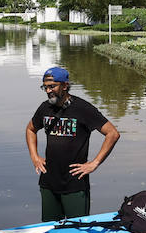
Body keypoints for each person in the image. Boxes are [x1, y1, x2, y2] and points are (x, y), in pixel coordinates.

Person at [25, 66, 120, 222]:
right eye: (45, 87)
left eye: (52, 86)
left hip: (75, 182)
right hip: (48, 182)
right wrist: (34, 157)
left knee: (78, 229)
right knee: (50, 230)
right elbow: (30, 129)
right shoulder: (45, 108)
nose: (49, 91)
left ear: (65, 85)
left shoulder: (82, 108)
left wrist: (94, 163)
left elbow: (112, 133)